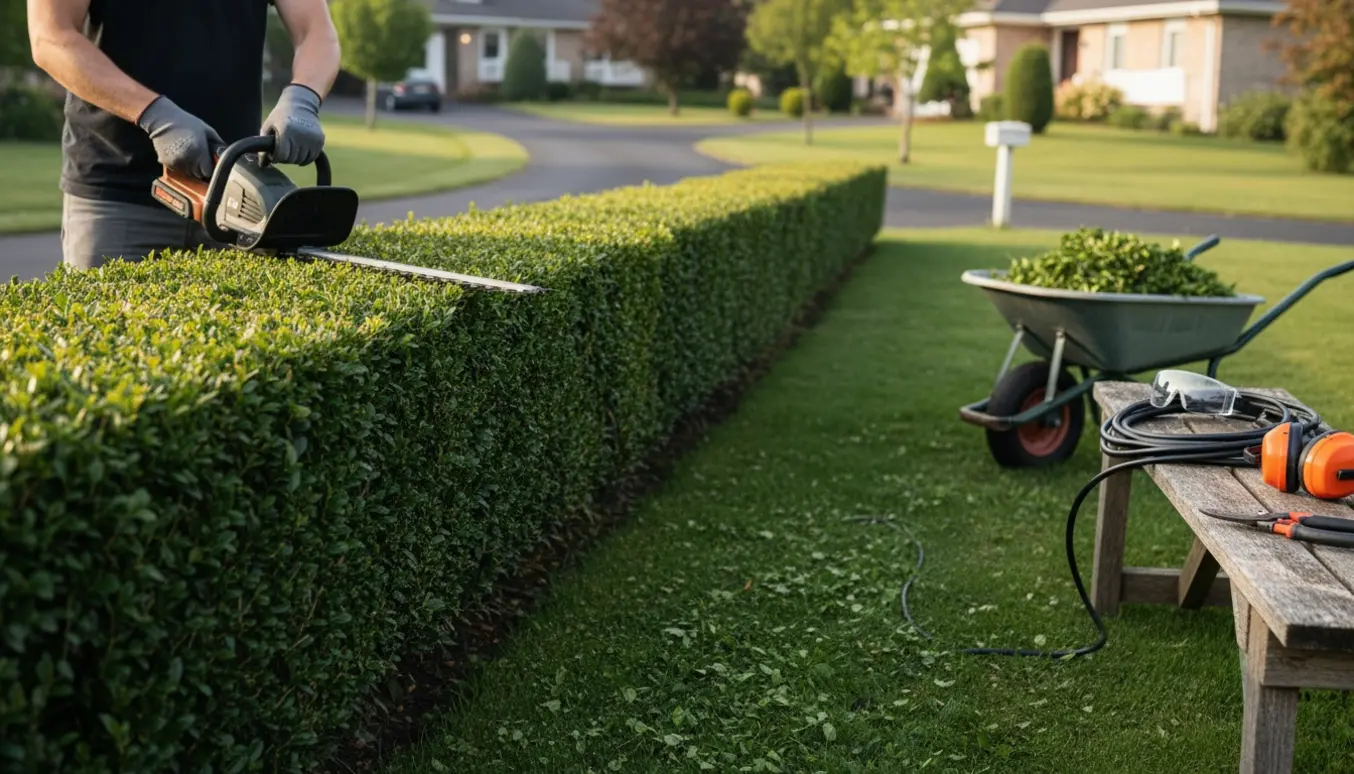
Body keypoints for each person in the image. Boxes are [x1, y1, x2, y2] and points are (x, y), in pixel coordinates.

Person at [27, 0, 342, 269]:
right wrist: (155, 114)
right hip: (117, 198)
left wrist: (303, 97)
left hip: (236, 202)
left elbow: (315, 31)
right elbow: (51, 37)